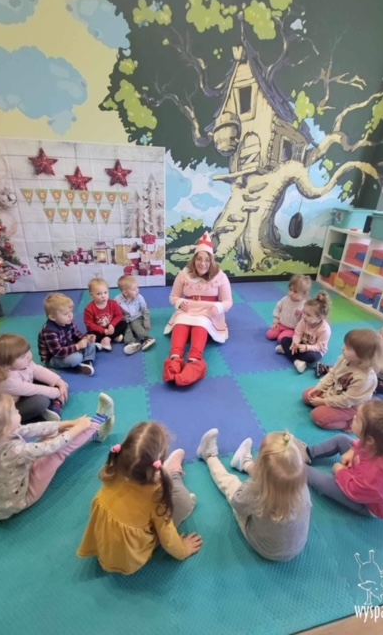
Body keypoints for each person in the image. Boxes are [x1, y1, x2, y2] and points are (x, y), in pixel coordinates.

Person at [0, 392, 114, 525]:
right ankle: (97, 425)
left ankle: (92, 431)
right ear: (4, 429)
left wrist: (68, 423)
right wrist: (79, 427)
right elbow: (53, 446)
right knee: (56, 452)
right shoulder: (13, 451)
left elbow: (31, 429)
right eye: (14, 411)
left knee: (48, 436)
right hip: (18, 500)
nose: (18, 411)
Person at [77, 422, 202, 574]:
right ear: (157, 464)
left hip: (104, 548)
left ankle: (171, 471)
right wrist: (183, 550)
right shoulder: (156, 495)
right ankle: (173, 472)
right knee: (184, 502)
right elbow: (168, 538)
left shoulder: (112, 469)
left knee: (171, 499)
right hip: (131, 560)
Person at [301, 401, 383, 518]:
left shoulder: (377, 475)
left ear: (370, 440)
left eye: (358, 419)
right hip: (364, 474)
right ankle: (309, 453)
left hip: (368, 504)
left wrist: (340, 470)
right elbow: (363, 444)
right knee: (342, 439)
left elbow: (354, 491)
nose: (354, 417)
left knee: (323, 480)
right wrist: (354, 450)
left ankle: (299, 467)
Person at [196, 428, 311, 561]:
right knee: (275, 479)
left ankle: (208, 456)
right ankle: (244, 462)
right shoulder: (300, 486)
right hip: (296, 547)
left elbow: (237, 503)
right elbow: (275, 479)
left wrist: (253, 483)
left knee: (231, 484)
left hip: (265, 549)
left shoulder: (256, 495)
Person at [163, 231, 233, 386]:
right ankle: (175, 358)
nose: (203, 263)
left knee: (200, 325)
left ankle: (194, 361)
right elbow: (173, 296)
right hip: (188, 309)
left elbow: (228, 302)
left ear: (211, 261)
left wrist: (218, 307)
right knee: (180, 324)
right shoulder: (184, 274)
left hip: (208, 312)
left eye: (207, 260)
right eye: (199, 259)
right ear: (194, 260)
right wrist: (179, 303)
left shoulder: (220, 276)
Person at [302, 329, 382, 432]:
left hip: (349, 406)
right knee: (307, 396)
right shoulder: (344, 359)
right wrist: (319, 388)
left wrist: (323, 402)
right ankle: (326, 405)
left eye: (348, 348)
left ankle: (349, 424)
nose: (342, 348)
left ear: (362, 355)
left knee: (318, 417)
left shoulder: (365, 379)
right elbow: (332, 374)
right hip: (334, 392)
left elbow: (347, 400)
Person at [0, 333, 68, 423]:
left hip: (21, 392)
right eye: (23, 356)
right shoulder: (7, 380)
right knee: (40, 402)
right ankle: (48, 409)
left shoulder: (22, 363)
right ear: (6, 363)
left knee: (51, 374)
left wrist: (60, 382)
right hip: (9, 410)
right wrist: (58, 393)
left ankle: (52, 405)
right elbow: (34, 389)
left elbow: (38, 370)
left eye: (28, 351)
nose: (29, 356)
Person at [38, 292, 96, 376]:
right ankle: (79, 364)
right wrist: (78, 346)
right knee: (76, 358)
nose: (70, 316)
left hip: (69, 347)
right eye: (66, 314)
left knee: (91, 345)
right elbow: (57, 352)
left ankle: (87, 362)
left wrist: (86, 338)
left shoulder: (68, 321)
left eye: (71, 311)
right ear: (53, 317)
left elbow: (76, 333)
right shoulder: (50, 331)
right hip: (53, 357)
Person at [278, 291, 331, 373]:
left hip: (314, 350)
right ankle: (297, 361)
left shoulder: (325, 330)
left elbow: (320, 347)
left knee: (311, 357)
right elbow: (298, 333)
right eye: (304, 313)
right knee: (284, 340)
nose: (304, 316)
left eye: (308, 315)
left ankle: (287, 352)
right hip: (302, 344)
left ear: (320, 317)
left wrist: (307, 347)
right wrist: (295, 342)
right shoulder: (304, 321)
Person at [115, 274, 156, 355]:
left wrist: (146, 321)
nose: (137, 290)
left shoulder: (139, 298)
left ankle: (146, 339)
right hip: (125, 319)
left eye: (137, 287)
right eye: (134, 289)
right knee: (126, 329)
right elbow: (115, 313)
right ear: (125, 292)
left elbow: (145, 310)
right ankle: (132, 343)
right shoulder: (117, 300)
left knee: (135, 325)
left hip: (137, 317)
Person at [83, 278, 127, 352]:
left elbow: (119, 315)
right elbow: (89, 324)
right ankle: (112, 337)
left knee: (124, 323)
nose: (103, 296)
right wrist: (103, 330)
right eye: (99, 294)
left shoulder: (113, 303)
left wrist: (112, 325)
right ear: (92, 295)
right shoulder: (89, 309)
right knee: (88, 336)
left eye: (105, 292)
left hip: (111, 328)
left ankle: (108, 338)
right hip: (98, 331)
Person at [266, 274, 311, 342]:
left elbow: (304, 321)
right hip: (281, 324)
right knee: (269, 335)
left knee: (281, 339)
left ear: (304, 294)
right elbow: (277, 309)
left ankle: (286, 334)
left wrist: (300, 332)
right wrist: (276, 322)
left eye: (295, 291)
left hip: (292, 329)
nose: (291, 293)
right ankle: (280, 332)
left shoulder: (304, 305)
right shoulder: (285, 299)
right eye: (290, 289)